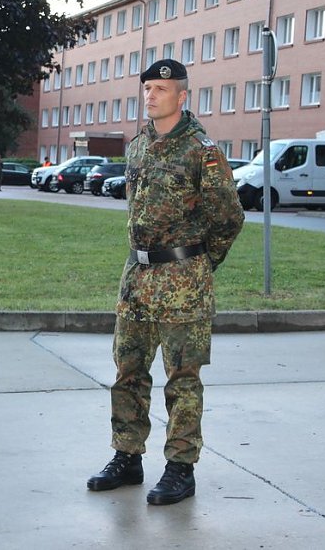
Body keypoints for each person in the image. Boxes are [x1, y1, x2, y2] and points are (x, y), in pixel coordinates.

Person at [87, 59, 244, 505]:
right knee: (128, 371)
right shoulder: (138, 145)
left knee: (182, 378)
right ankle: (127, 456)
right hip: (137, 279)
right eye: (147, 88)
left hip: (182, 281)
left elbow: (228, 218)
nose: (151, 96)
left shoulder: (201, 150)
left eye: (161, 89)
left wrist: (200, 265)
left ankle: (180, 467)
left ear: (182, 95)